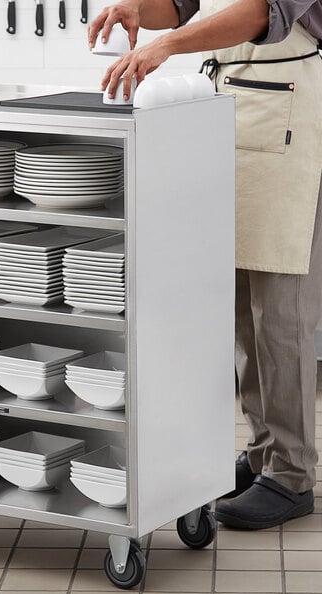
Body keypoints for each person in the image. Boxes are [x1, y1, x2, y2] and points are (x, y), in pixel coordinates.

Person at [90, 0, 322, 529]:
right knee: (238, 299)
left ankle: (290, 475)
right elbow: (180, 4)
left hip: (287, 109)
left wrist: (167, 44)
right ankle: (265, 450)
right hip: (229, 107)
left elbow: (266, 13)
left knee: (280, 312)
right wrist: (137, 11)